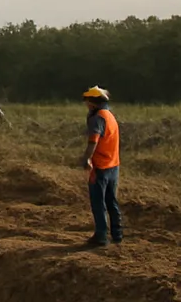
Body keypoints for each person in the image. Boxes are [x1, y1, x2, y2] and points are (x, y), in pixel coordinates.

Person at [79, 85, 122, 247]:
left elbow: (93, 141)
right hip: (113, 165)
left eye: (87, 101)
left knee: (98, 202)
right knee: (112, 201)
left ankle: (101, 237)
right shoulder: (109, 115)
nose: (86, 104)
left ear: (93, 102)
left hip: (101, 167)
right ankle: (117, 235)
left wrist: (86, 159)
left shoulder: (97, 118)